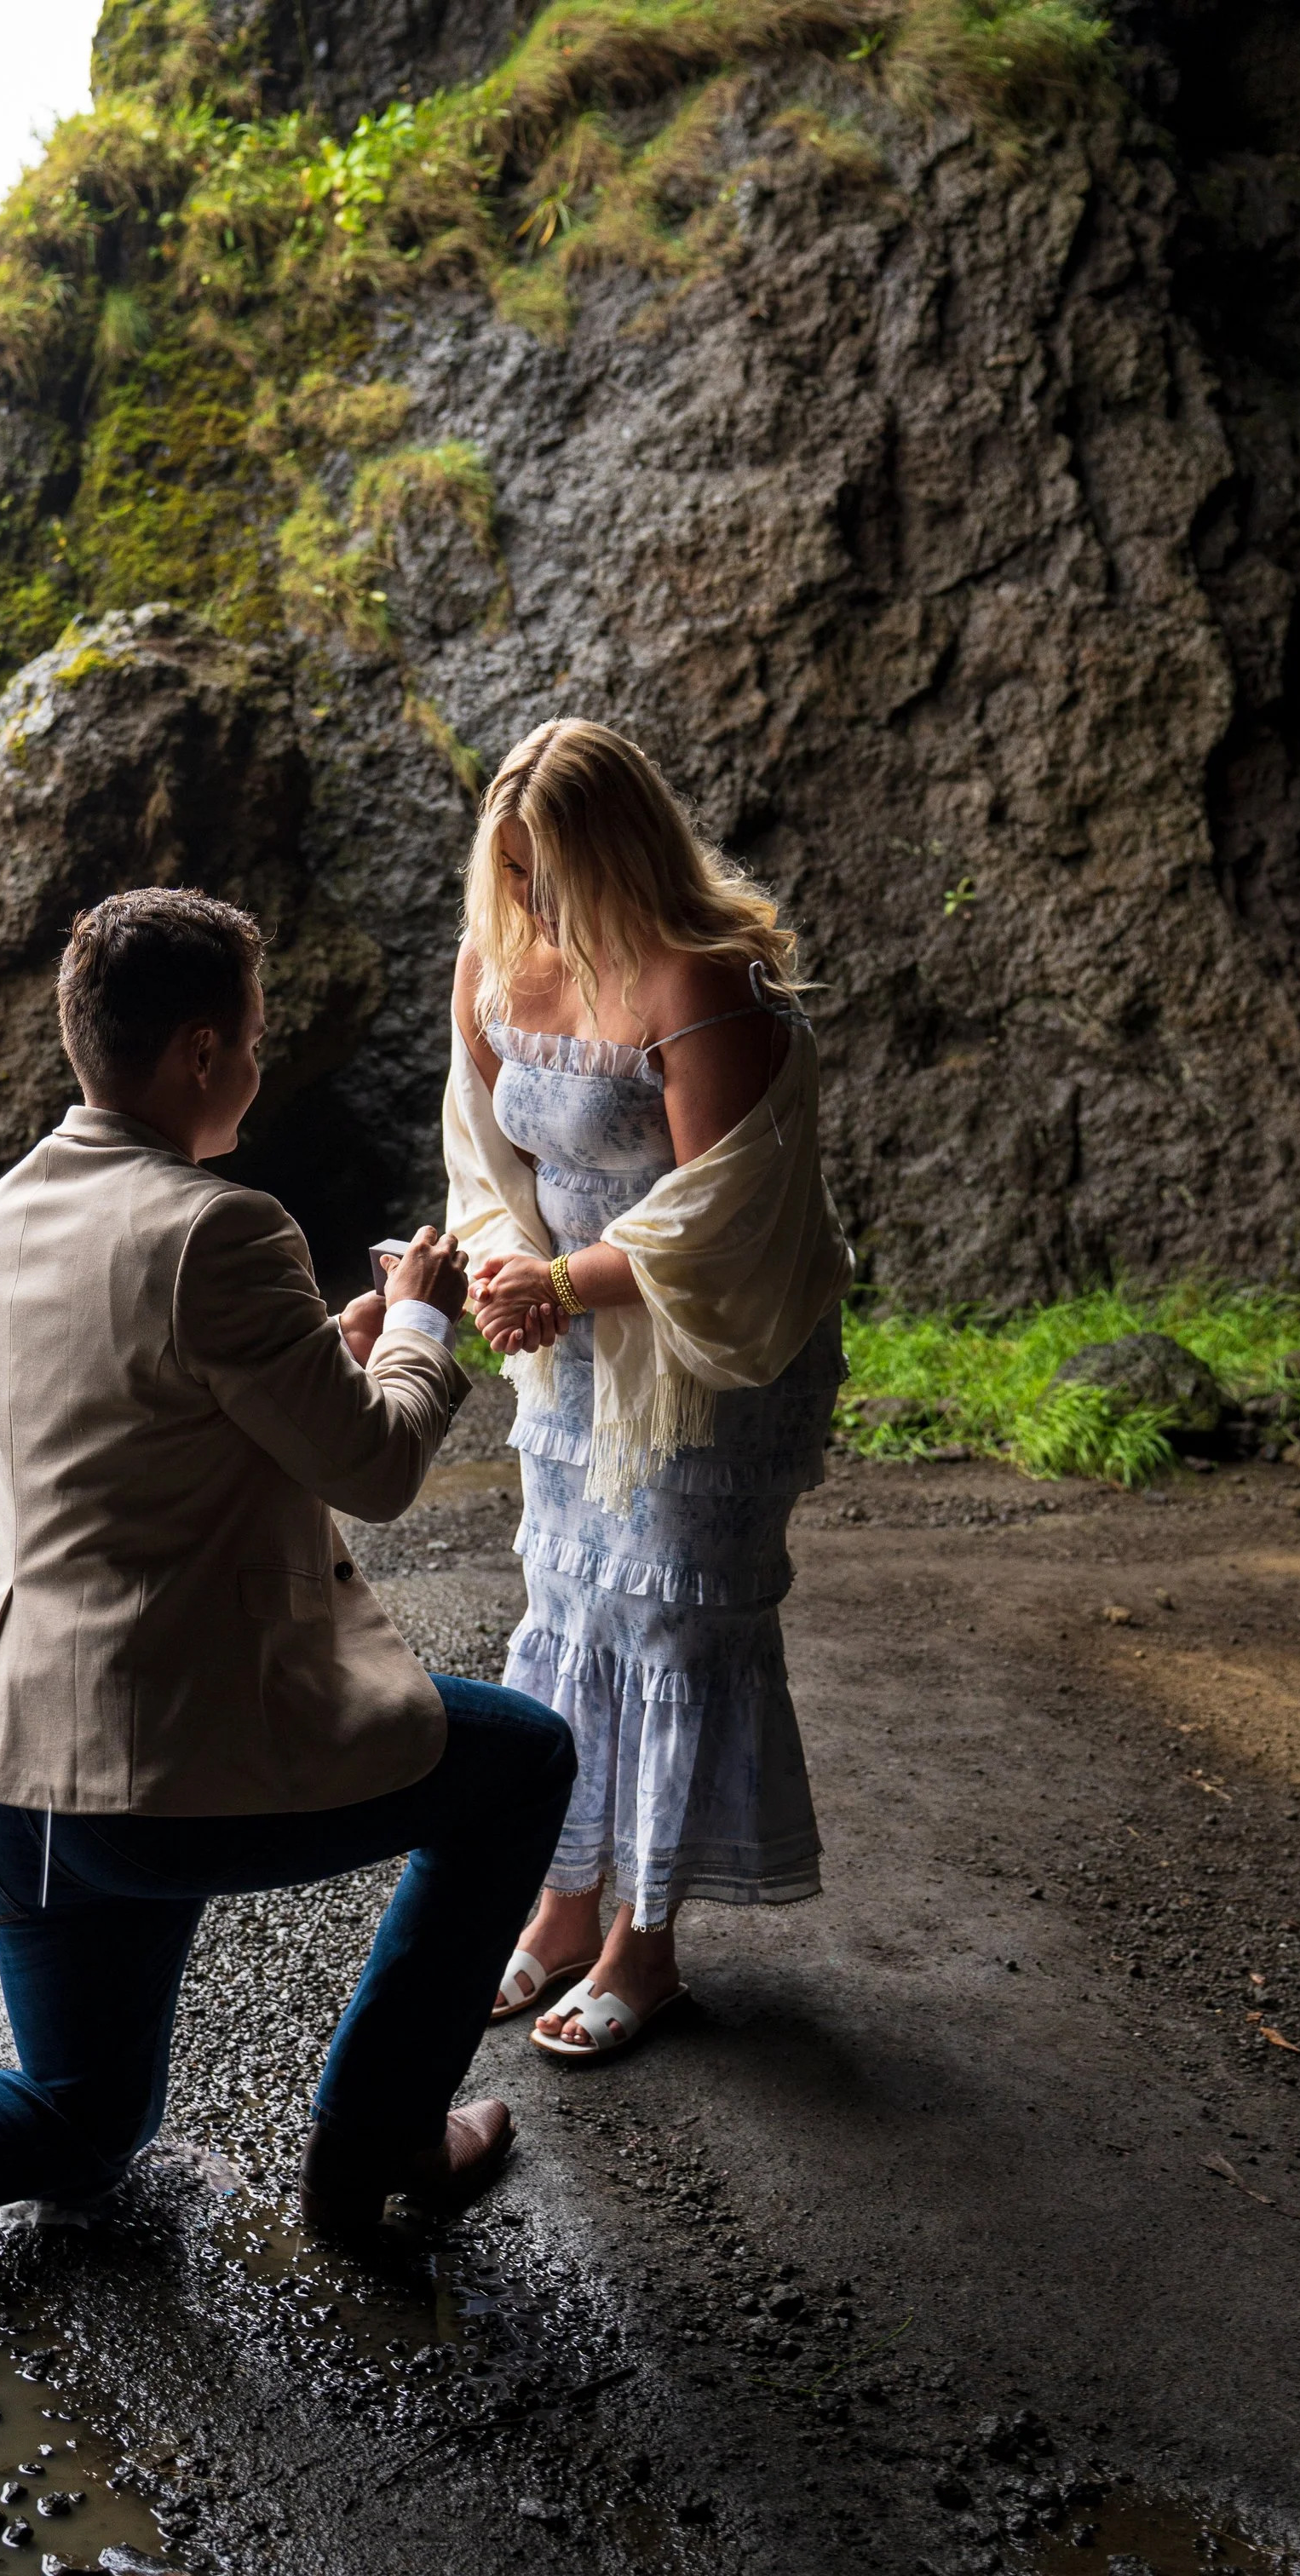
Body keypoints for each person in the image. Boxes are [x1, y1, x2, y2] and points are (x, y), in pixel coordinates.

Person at [0, 887, 574, 2389]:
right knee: (524, 1762)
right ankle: (378, 2140)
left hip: (12, 1765)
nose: (259, 1075)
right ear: (201, 1052)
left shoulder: (11, 1210)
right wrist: (416, 1321)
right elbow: (382, 1471)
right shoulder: (223, 1227)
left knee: (85, 2118)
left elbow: (148, 1421)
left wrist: (319, 1351)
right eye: (254, 1048)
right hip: (161, 1772)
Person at [443, 719, 853, 2060]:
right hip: (570, 1347)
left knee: (671, 1627)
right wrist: (508, 1269)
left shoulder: (704, 977)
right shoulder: (498, 965)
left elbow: (722, 1218)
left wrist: (558, 1288)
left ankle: (645, 1946)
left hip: (703, 1362)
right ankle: (562, 1913)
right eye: (513, 873)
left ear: (619, 854)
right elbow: (481, 1165)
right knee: (568, 1612)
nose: (533, 904)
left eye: (552, 874)